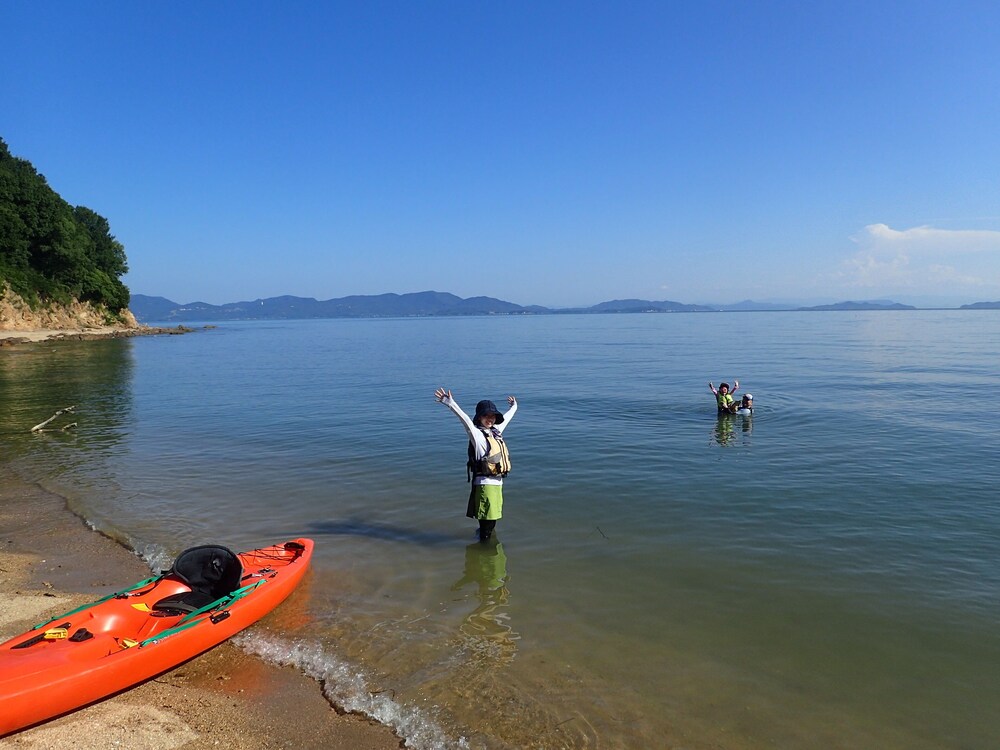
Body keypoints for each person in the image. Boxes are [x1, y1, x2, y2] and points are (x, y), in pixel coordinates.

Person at [435, 388, 518, 541]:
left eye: (492, 416)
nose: (490, 419)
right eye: (486, 415)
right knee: (488, 524)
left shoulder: (496, 432)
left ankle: (482, 547)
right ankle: (484, 550)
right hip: (485, 485)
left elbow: (506, 419)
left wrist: (514, 407)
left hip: (497, 484)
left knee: (491, 522)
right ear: (479, 418)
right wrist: (450, 403)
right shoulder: (477, 436)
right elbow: (465, 420)